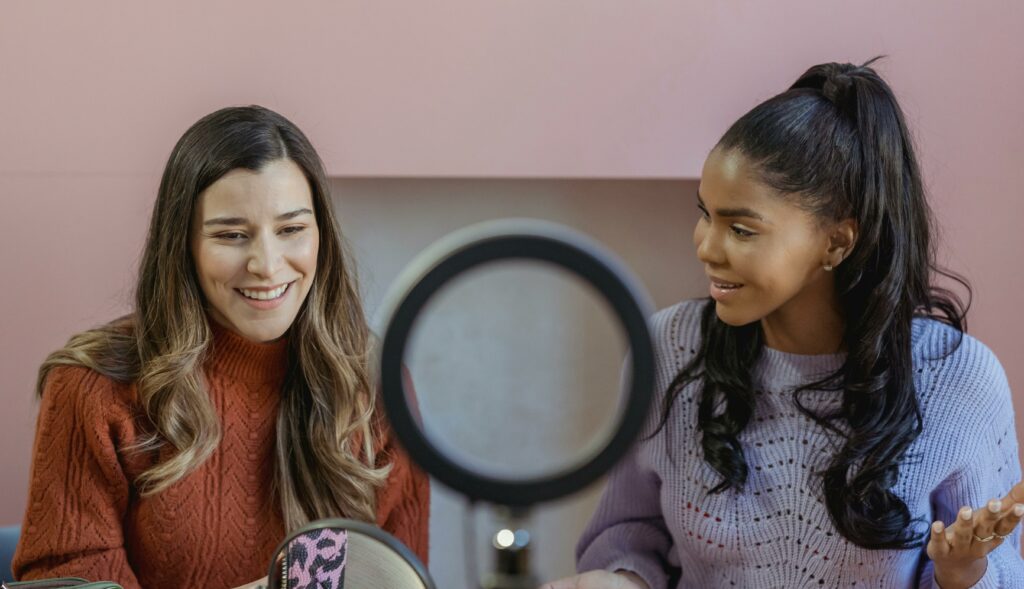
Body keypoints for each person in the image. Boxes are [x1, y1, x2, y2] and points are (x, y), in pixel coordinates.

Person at [544, 59, 1024, 588]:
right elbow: (630, 540)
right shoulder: (669, 349)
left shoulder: (956, 380)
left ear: (838, 241)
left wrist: (963, 572)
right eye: (705, 213)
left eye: (742, 229)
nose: (706, 247)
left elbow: (1002, 575)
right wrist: (611, 582)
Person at [12, 105, 429, 589]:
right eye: (232, 235)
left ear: (322, 236)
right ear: (183, 245)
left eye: (292, 230)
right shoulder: (93, 387)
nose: (267, 266)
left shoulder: (372, 383)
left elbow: (400, 577)